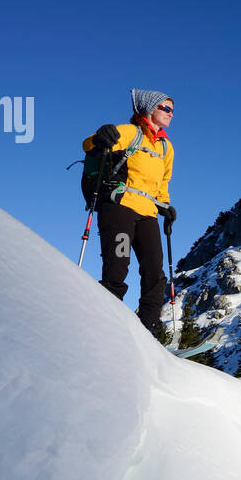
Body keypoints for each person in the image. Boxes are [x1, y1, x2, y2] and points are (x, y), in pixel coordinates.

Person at [82, 89, 177, 338]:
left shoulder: (167, 148)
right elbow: (88, 144)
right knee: (117, 264)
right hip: (119, 207)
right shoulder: (130, 132)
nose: (170, 113)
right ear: (148, 109)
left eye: (172, 110)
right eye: (164, 108)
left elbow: (163, 183)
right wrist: (101, 135)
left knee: (155, 272)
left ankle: (148, 329)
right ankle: (105, 325)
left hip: (148, 214)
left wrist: (165, 207)